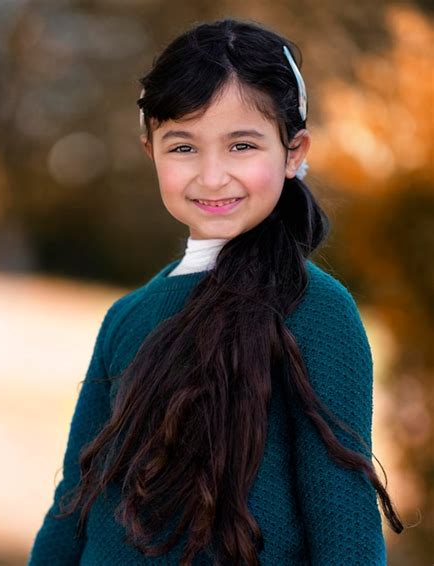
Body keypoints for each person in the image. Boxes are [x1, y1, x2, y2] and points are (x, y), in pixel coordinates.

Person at [27, 17, 403, 566]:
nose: (211, 175)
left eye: (242, 145)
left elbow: (344, 528)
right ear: (149, 149)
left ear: (294, 151)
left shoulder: (317, 312)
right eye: (183, 147)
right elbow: (73, 509)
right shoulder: (125, 317)